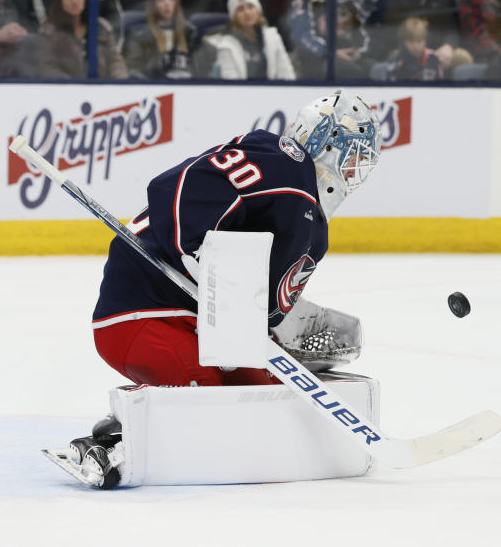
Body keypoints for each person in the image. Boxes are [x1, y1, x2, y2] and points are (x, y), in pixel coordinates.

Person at [66, 90, 381, 488]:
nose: (355, 170)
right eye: (352, 155)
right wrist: (194, 249)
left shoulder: (300, 206)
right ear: (325, 142)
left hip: (197, 323)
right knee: (211, 396)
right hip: (138, 314)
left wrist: (285, 331)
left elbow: (259, 312)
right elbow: (173, 185)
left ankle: (125, 424)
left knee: (265, 395)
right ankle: (119, 447)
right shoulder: (287, 180)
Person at [38, 0, 127, 78]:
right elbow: (48, 68)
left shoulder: (101, 27)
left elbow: (115, 61)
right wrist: (76, 86)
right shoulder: (49, 31)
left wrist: (119, 83)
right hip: (66, 90)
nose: (74, 1)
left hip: (102, 89)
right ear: (60, 1)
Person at [207, 0, 295, 80]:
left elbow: (286, 73)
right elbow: (230, 81)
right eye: (240, 9)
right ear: (234, 16)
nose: (247, 13)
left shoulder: (272, 37)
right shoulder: (224, 44)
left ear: (258, 10)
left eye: (251, 7)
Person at [123, 0, 200, 79]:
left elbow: (200, 68)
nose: (167, 3)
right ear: (153, 4)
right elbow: (135, 70)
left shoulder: (190, 33)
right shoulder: (141, 36)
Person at [380, 16, 443, 80]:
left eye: (419, 40)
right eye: (411, 41)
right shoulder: (395, 58)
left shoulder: (432, 59)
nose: (415, 46)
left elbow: (438, 85)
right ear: (404, 41)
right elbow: (390, 84)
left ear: (425, 40)